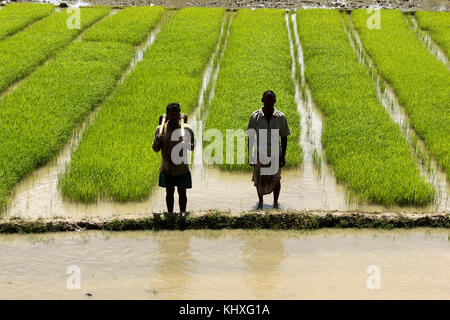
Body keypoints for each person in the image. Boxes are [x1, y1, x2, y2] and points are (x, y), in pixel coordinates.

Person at [246, 90, 291, 210]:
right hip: (260, 154)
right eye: (267, 99)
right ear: (262, 100)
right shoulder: (255, 117)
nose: (269, 102)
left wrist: (283, 156)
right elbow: (251, 137)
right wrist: (250, 156)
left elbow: (284, 137)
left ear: (275, 101)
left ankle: (275, 203)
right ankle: (260, 202)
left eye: (271, 100)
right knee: (259, 178)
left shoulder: (281, 117)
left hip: (276, 154)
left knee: (276, 179)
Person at [152, 103, 194, 214]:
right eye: (172, 115)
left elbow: (192, 148)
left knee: (182, 192)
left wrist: (186, 142)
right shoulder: (160, 130)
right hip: (167, 167)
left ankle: (182, 213)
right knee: (169, 192)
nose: (174, 117)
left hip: (181, 167)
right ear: (167, 115)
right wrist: (157, 141)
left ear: (179, 114)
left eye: (176, 115)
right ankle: (170, 214)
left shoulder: (187, 129)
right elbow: (156, 149)